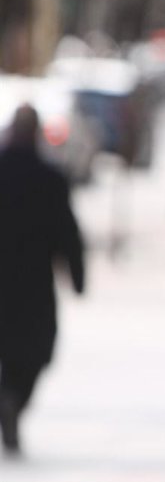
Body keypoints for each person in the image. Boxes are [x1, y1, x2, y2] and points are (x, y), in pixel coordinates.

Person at [0, 104, 86, 456]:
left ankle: (8, 400)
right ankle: (13, 399)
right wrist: (78, 276)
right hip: (33, 284)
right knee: (34, 352)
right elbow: (68, 232)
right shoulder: (50, 177)